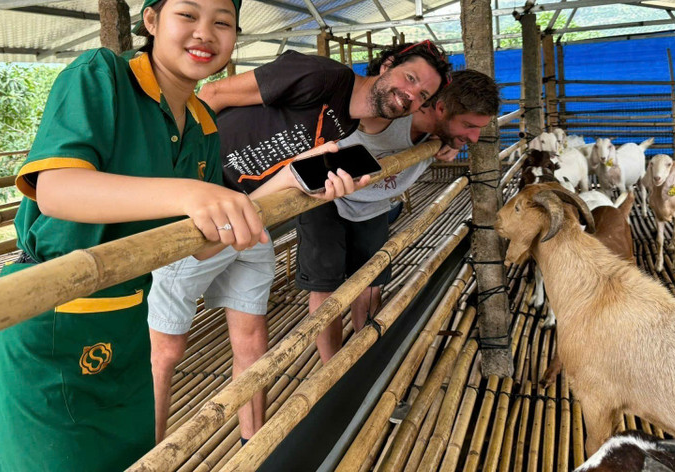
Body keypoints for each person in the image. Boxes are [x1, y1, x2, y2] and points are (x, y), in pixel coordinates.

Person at [0, 0, 361, 472]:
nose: (205, 33)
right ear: (151, 21)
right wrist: (189, 194)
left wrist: (290, 181)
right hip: (51, 316)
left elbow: (201, 241)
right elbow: (56, 190)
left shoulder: (202, 121)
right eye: (188, 15)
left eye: (222, 22)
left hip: (128, 316)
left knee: (131, 457)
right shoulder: (102, 75)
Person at [147, 40, 451, 444]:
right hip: (201, 205)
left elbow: (287, 172)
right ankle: (145, 455)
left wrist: (310, 186)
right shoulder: (324, 76)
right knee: (166, 351)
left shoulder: (348, 127)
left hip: (250, 216)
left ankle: (252, 445)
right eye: (410, 78)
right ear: (387, 64)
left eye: (422, 95)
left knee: (253, 342)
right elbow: (213, 94)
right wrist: (187, 181)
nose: (411, 94)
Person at [300, 68, 500, 361]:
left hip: (374, 204)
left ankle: (364, 356)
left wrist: (449, 140)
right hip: (325, 197)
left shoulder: (439, 133)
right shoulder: (386, 114)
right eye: (469, 125)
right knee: (325, 288)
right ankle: (331, 369)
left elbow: (449, 133)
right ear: (440, 108)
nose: (474, 136)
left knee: (371, 282)